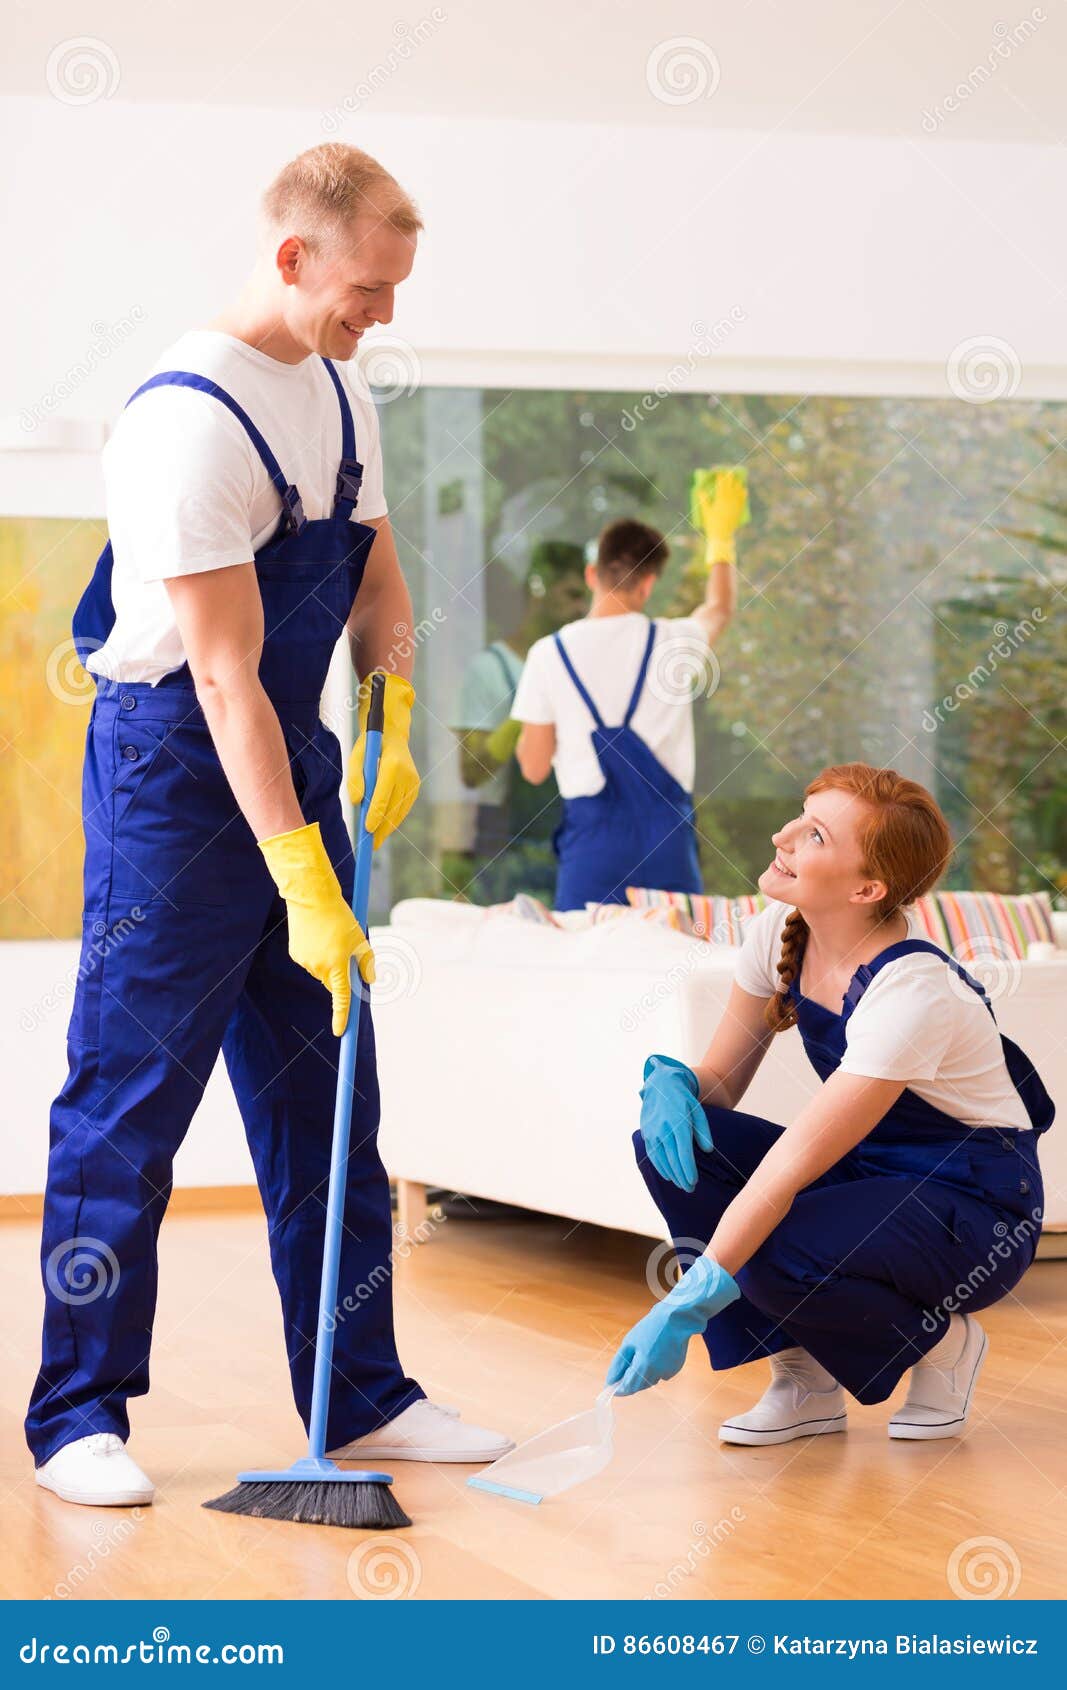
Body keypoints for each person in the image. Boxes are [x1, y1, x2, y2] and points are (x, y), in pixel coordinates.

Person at [27, 142, 510, 1508]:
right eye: (367, 287)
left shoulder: (339, 389)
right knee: (130, 1106)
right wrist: (299, 865)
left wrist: (396, 703)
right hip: (177, 774)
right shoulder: (184, 422)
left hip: (285, 751)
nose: (385, 316)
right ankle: (77, 1410)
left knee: (328, 1096)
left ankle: (361, 1394)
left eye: (397, 289)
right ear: (292, 255)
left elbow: (372, 557)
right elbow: (224, 670)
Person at [606, 763, 1053, 1443]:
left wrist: (687, 1301)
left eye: (813, 834)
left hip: (975, 1210)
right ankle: (803, 1379)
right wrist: (670, 1081)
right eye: (799, 816)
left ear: (866, 887)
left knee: (767, 1241)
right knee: (677, 1148)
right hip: (873, 1178)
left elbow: (785, 1172)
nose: (782, 836)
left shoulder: (912, 992)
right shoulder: (779, 933)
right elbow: (722, 1085)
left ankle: (941, 1348)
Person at [509, 482, 744, 912]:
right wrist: (720, 538)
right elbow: (719, 608)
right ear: (649, 584)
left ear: (591, 574)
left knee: (589, 968)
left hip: (592, 852)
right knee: (674, 960)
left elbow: (534, 767)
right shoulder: (672, 641)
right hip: (667, 846)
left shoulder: (548, 655)